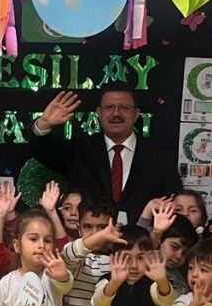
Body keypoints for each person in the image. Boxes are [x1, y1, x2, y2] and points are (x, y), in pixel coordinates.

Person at [29, 83, 180, 224]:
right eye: (109, 107)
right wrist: (45, 123)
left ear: (136, 114)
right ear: (99, 113)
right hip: (88, 239)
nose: (116, 113)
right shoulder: (80, 150)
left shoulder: (160, 155)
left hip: (142, 239)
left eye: (124, 107)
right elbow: (41, 152)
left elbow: (173, 201)